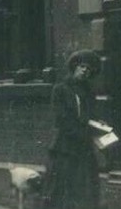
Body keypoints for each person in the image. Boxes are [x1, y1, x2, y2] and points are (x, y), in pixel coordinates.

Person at [44, 49, 102, 209]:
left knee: (85, 191)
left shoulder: (88, 92)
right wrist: (84, 131)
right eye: (83, 66)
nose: (85, 71)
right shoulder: (61, 89)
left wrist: (99, 125)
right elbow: (62, 120)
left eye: (89, 69)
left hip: (84, 150)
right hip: (65, 148)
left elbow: (91, 116)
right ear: (75, 66)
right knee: (61, 191)